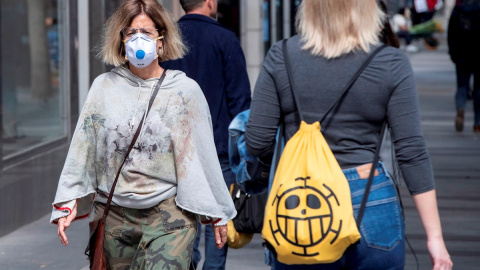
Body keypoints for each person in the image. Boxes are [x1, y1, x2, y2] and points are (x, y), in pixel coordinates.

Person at [245, 0, 453, 269]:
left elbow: (257, 141)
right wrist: (435, 238)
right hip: (371, 195)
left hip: (303, 200)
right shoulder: (390, 62)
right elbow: (411, 153)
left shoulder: (281, 55)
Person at [50, 0, 236, 269]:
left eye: (147, 33)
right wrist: (68, 202)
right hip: (114, 215)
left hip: (169, 217)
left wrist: (218, 212)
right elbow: (83, 147)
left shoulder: (185, 91)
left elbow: (203, 156)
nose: (138, 39)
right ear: (121, 41)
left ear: (161, 40)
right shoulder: (103, 88)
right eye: (130, 33)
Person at [162, 0, 251, 269]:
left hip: (176, 147)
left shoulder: (167, 39)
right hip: (218, 147)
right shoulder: (225, 38)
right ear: (210, 2)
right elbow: (240, 101)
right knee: (218, 222)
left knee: (184, 219)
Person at [447, 0, 480, 133]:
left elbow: (451, 33)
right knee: (478, 89)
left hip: (461, 55)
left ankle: (461, 108)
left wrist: (453, 53)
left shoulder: (458, 10)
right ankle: (477, 122)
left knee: (461, 86)